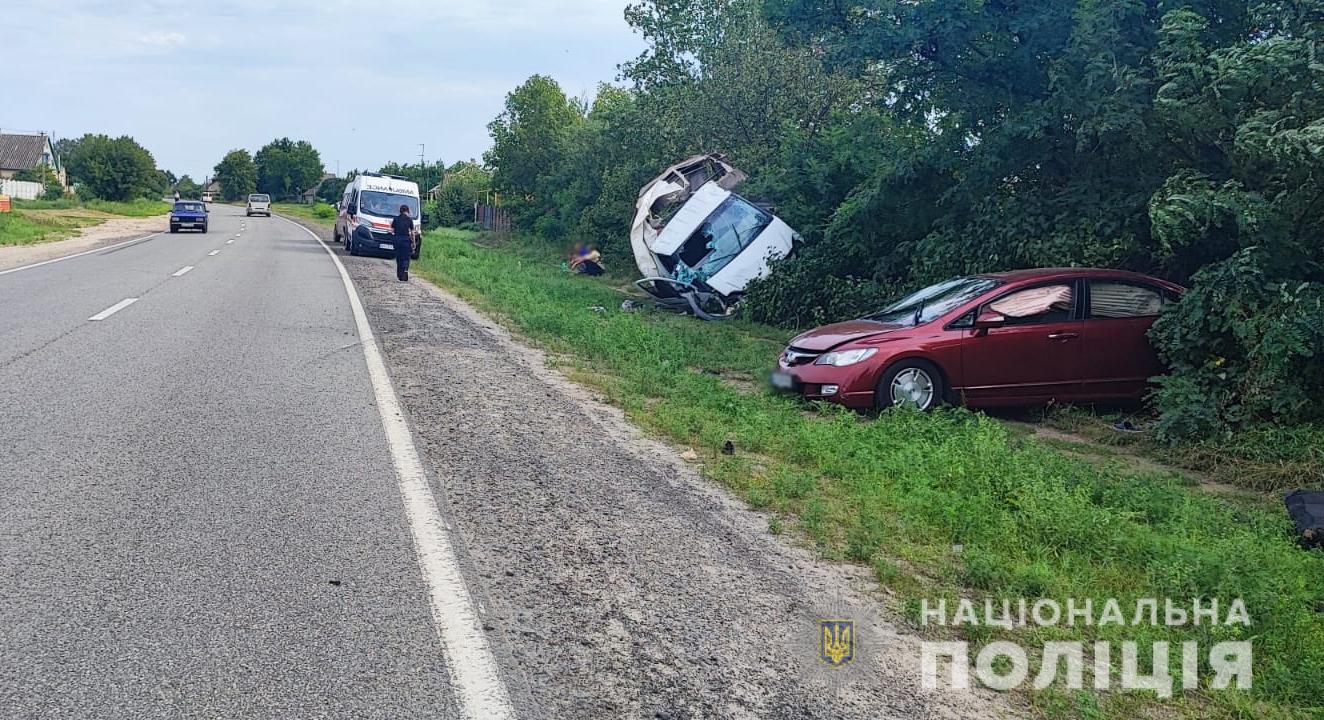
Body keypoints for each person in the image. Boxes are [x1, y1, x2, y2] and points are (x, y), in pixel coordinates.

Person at [390, 204, 418, 281]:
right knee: (406, 257)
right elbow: (412, 232)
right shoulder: (409, 220)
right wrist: (414, 243)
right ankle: (405, 270)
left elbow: (392, 230)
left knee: (399, 257)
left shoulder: (396, 219)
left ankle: (399, 274)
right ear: (407, 211)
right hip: (405, 240)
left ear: (400, 211)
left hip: (397, 240)